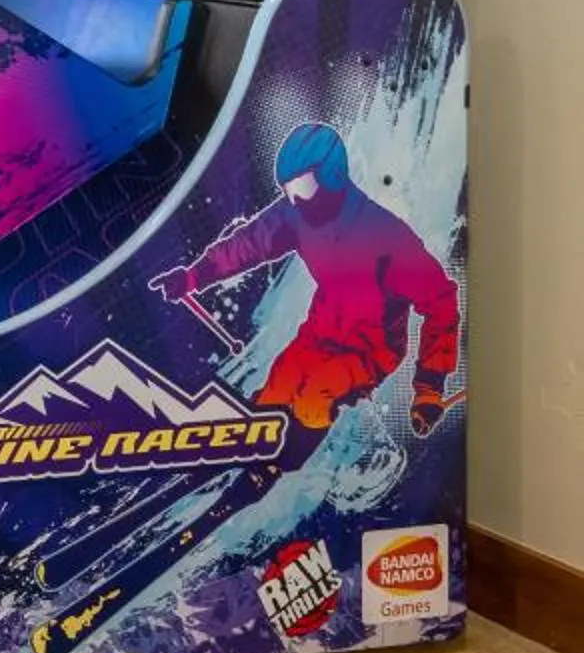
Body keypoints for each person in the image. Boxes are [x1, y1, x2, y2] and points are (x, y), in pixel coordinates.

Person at [149, 122, 459, 433]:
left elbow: (440, 302)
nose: (296, 200)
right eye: (289, 191)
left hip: (369, 347)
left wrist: (429, 386)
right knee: (278, 389)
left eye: (304, 189)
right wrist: (194, 277)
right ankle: (255, 455)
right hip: (319, 332)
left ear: (332, 177)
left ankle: (293, 448)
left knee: (316, 397)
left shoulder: (385, 236)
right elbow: (249, 244)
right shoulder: (296, 215)